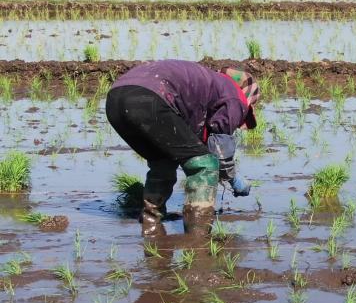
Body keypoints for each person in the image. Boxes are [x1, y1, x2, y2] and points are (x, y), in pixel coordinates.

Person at [105, 60, 259, 237]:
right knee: (204, 166)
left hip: (115, 100)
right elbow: (220, 154)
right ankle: (197, 237)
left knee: (162, 161)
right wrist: (234, 180)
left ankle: (151, 225)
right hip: (152, 96)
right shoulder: (235, 95)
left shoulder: (207, 85)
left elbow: (191, 140)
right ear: (247, 97)